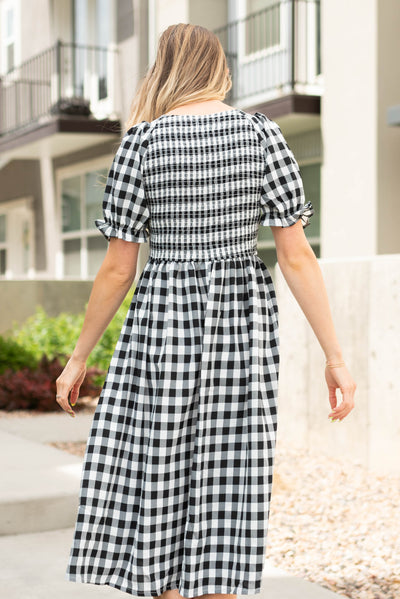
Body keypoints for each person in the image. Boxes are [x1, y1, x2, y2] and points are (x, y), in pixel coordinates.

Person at [59, 22, 356, 599]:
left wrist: (78, 359)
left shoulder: (141, 144)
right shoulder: (261, 136)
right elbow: (296, 258)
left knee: (159, 467)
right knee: (229, 474)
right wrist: (335, 357)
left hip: (163, 322)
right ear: (218, 67)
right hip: (239, 323)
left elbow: (119, 268)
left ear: (163, 70)